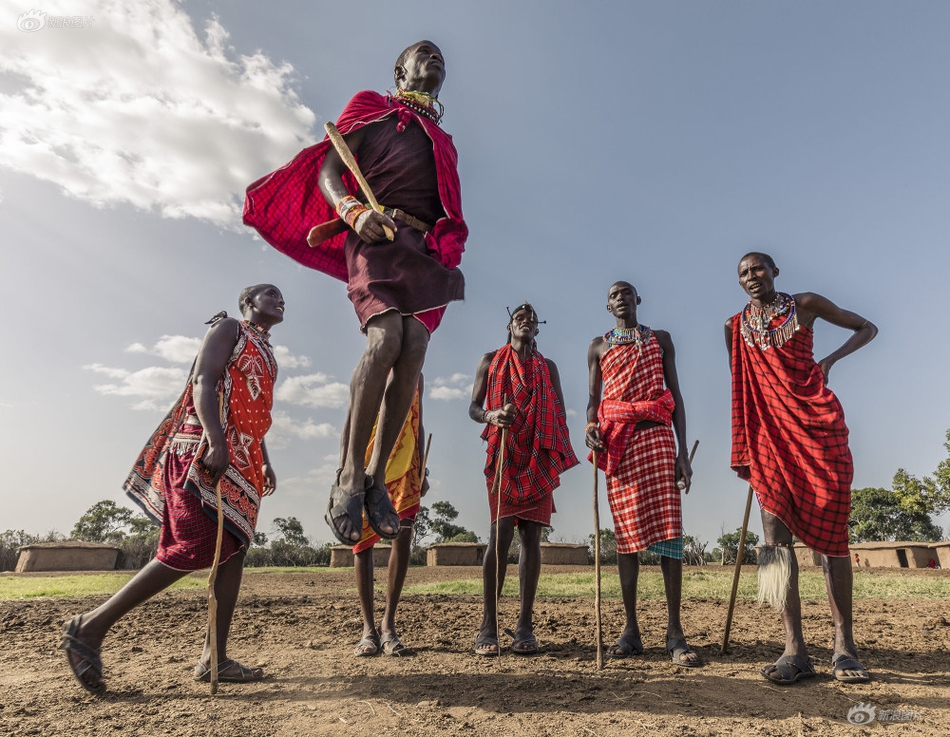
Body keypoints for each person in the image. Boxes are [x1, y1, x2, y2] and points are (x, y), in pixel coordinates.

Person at [243, 41, 466, 546]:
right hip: (375, 234)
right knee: (385, 339)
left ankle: (376, 480)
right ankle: (348, 473)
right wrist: (353, 212)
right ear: (399, 70)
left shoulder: (443, 140)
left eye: (442, 59)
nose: (436, 60)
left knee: (413, 349)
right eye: (425, 54)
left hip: (424, 252)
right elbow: (329, 170)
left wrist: (441, 251)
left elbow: (448, 205)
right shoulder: (373, 107)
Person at [60, 285, 285, 693]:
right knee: (193, 545)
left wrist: (264, 459)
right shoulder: (229, 328)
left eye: (282, 296)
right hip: (204, 449)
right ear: (248, 303)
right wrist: (216, 441)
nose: (280, 298)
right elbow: (203, 379)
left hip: (244, 459)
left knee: (232, 552)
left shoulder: (267, 353)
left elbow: (252, 409)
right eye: (270, 293)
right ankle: (90, 628)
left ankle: (213, 656)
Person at [726, 252, 877, 684]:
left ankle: (844, 646)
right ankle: (794, 649)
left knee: (832, 536)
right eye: (743, 273)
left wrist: (829, 361)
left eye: (758, 269)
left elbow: (867, 326)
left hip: (816, 429)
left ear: (775, 271)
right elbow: (743, 390)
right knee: (776, 544)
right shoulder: (734, 328)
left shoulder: (806, 305)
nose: (751, 277)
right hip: (770, 442)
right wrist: (749, 445)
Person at [585, 281, 699, 666]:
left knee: (670, 535)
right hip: (620, 447)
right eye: (614, 294)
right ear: (607, 305)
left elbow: (676, 395)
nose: (621, 297)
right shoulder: (598, 347)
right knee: (626, 540)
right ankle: (631, 630)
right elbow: (593, 402)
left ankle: (674, 632)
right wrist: (590, 428)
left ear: (638, 300)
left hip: (658, 440)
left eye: (627, 292)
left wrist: (684, 453)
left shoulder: (661, 339)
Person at [469, 303, 578, 655]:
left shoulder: (548, 367)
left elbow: (558, 411)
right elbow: (473, 408)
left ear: (537, 330)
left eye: (532, 321)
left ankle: (525, 627)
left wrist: (540, 426)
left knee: (532, 538)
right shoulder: (490, 361)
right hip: (503, 455)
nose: (527, 324)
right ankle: (489, 625)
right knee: (498, 537)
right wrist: (493, 414)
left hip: (537, 456)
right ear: (509, 325)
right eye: (520, 319)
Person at [343, 376, 429, 657]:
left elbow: (417, 419)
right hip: (367, 460)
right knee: (362, 540)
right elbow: (351, 419)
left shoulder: (416, 374)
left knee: (402, 536)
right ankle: (368, 629)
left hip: (405, 462)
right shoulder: (370, 366)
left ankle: (388, 626)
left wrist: (422, 467)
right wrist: (345, 467)